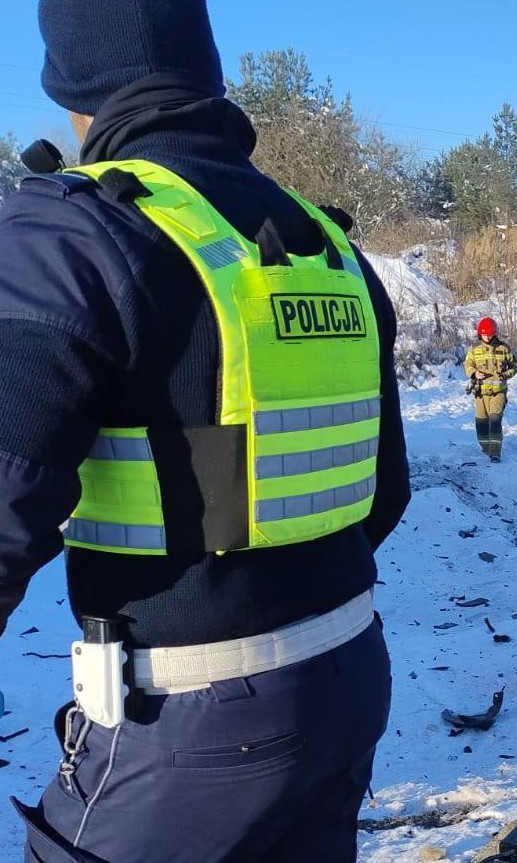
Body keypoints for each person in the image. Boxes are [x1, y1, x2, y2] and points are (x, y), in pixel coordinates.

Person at [0, 1, 411, 860]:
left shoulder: (75, 233)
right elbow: (383, 492)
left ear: (74, 87)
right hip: (348, 672)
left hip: (186, 724)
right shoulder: (328, 243)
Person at [464, 317, 517, 461]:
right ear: (480, 335)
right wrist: (474, 373)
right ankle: (486, 447)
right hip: (481, 394)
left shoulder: (504, 349)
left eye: (489, 334)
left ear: (495, 333)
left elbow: (515, 366)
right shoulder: (475, 352)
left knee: (495, 420)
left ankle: (495, 453)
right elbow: (467, 365)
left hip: (498, 393)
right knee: (481, 422)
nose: (487, 337)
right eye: (484, 334)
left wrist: (505, 375)